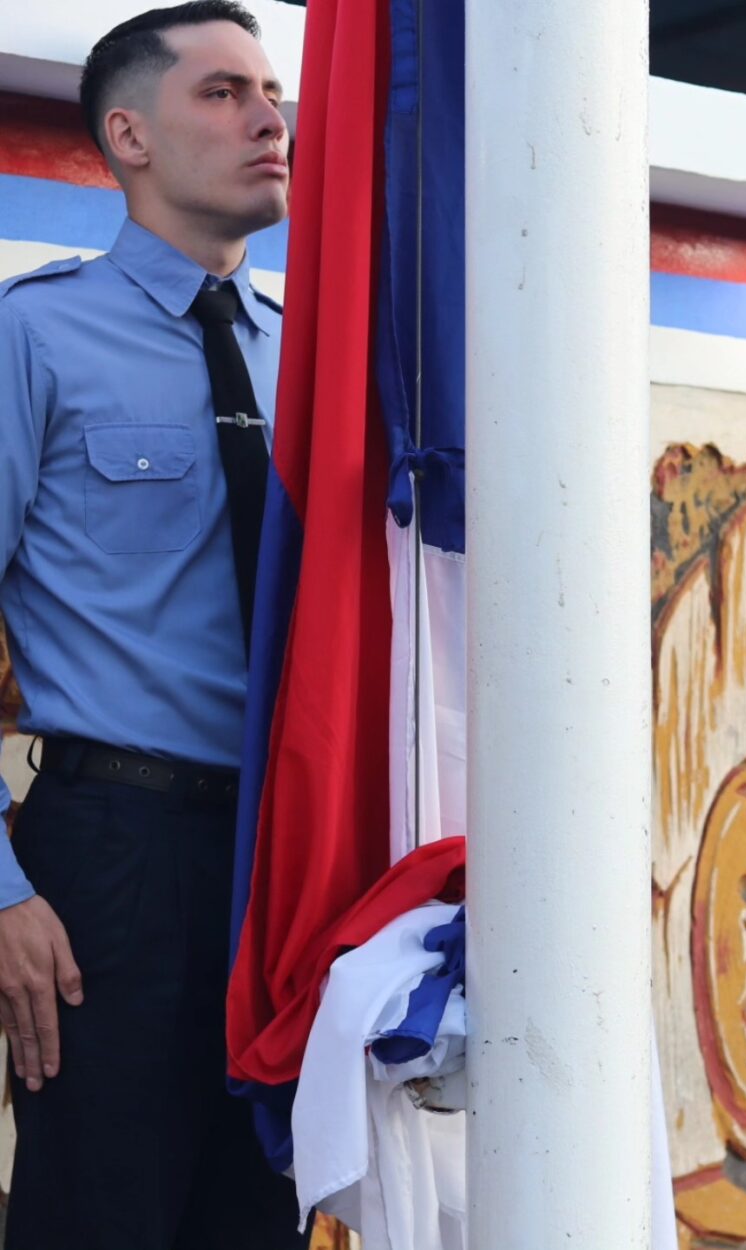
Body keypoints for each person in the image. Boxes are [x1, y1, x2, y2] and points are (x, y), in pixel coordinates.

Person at [0, 4, 309, 1246]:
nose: (270, 118)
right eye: (225, 93)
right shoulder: (36, 336)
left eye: (273, 92)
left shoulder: (313, 359)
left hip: (282, 865)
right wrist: (3, 889)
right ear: (127, 134)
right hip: (109, 862)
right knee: (100, 1217)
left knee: (264, 1213)